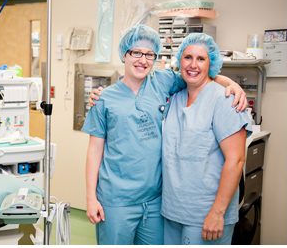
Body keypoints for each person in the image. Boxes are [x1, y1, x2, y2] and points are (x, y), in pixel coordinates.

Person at [82, 24, 247, 245]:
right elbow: (94, 150)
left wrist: (232, 84)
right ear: (124, 54)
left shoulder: (163, 82)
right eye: (136, 52)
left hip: (155, 201)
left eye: (149, 54)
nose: (143, 59)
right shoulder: (103, 99)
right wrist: (91, 197)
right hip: (117, 199)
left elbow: (199, 76)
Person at [160, 33, 252, 245]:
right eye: (187, 57)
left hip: (207, 215)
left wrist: (218, 213)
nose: (193, 64)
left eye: (201, 59)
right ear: (179, 61)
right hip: (172, 211)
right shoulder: (175, 97)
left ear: (211, 63)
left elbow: (236, 160)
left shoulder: (225, 99)